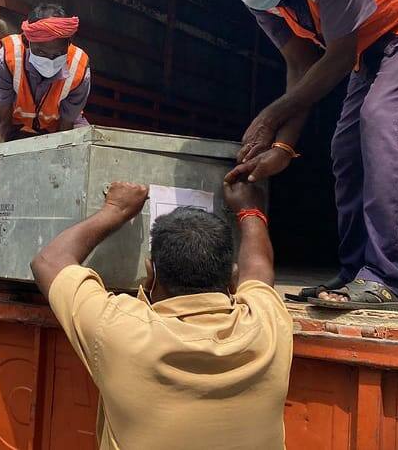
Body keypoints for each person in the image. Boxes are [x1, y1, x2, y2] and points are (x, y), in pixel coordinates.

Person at [209, 0, 398, 309]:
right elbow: (300, 62)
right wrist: (282, 149)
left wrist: (270, 117)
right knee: (345, 150)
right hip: (370, 45)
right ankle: (356, 272)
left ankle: (388, 275)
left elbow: (337, 55)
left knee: (380, 123)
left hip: (389, 31)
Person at [30, 181, 292, 450]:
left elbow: (50, 262)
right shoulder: (267, 326)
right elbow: (258, 270)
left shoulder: (121, 330)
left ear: (151, 274)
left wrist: (115, 209)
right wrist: (250, 211)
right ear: (233, 279)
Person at [0, 3, 91, 150]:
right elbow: (2, 121)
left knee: (88, 150)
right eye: (41, 53)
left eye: (58, 54)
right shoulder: (8, 57)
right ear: (27, 42)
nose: (51, 60)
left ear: (68, 44)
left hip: (58, 119)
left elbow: (65, 129)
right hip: (8, 112)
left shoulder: (79, 66)